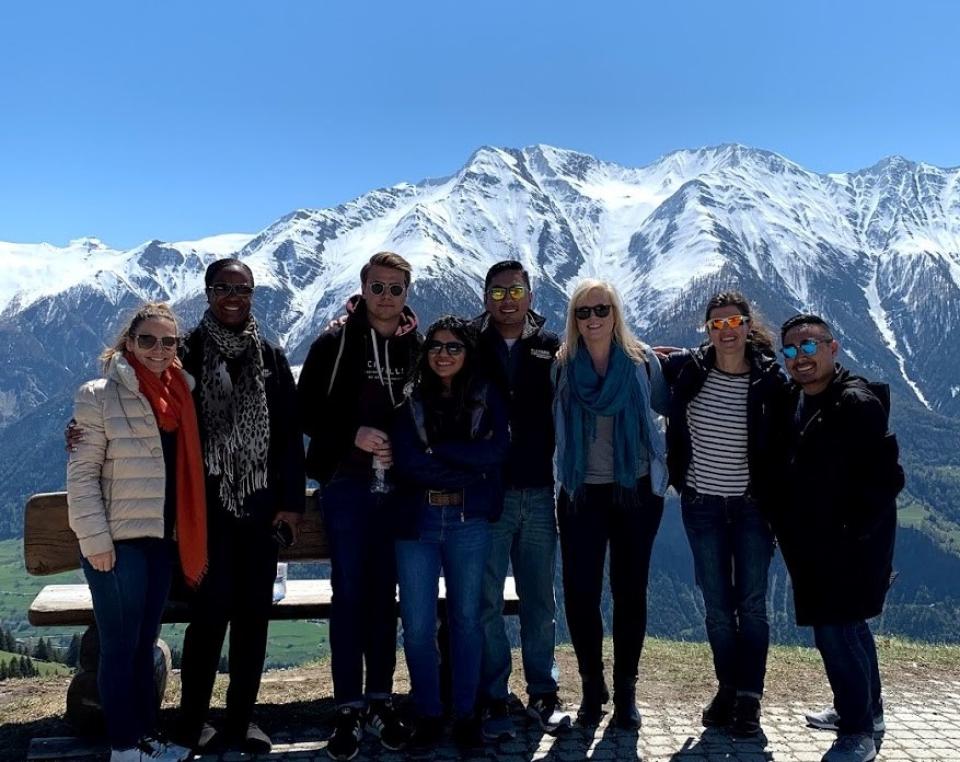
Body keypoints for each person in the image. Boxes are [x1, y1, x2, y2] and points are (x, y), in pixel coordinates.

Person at [175, 259, 305, 753]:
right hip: (202, 513)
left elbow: (290, 438)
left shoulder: (269, 355)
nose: (233, 296)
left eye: (243, 288)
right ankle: (191, 721)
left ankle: (242, 719)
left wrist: (291, 506)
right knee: (207, 618)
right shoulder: (184, 352)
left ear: (253, 295)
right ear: (207, 293)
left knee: (253, 618)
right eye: (223, 288)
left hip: (259, 514)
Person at [297, 251, 421, 759]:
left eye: (396, 289)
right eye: (378, 287)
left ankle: (380, 700)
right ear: (362, 288)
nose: (386, 297)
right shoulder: (334, 340)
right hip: (345, 483)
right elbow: (304, 410)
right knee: (348, 591)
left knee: (383, 592)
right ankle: (347, 706)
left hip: (398, 486)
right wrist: (355, 433)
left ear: (407, 294)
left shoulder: (416, 343)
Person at [67, 302, 203, 762]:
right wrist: (96, 542)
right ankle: (125, 745)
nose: (158, 350)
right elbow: (82, 476)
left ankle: (144, 737)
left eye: (169, 342)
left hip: (161, 540)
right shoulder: (98, 394)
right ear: (129, 342)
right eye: (147, 340)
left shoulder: (181, 393)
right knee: (121, 647)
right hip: (118, 544)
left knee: (143, 645)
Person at [772, 313, 903, 762]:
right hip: (817, 545)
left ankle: (857, 732)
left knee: (836, 633)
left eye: (809, 346)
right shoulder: (799, 397)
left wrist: (851, 534)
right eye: (790, 350)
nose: (799, 358)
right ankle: (870, 711)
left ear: (833, 347)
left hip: (849, 548)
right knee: (850, 630)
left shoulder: (854, 403)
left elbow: (886, 479)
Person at [659, 292, 786, 736]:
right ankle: (728, 688)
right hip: (702, 505)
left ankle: (748, 698)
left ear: (749, 326)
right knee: (716, 607)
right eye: (717, 324)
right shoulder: (690, 370)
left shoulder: (771, 381)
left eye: (734, 322)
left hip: (753, 508)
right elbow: (649, 361)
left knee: (751, 605)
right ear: (707, 331)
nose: (726, 331)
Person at [552, 279, 669, 728]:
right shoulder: (562, 366)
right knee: (581, 594)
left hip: (634, 489)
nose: (593, 318)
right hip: (581, 491)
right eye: (584, 312)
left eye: (601, 309)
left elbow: (666, 409)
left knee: (629, 593)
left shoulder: (642, 363)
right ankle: (590, 687)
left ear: (615, 313)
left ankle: (626, 693)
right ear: (574, 319)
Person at [391, 316, 510, 750]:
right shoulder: (409, 399)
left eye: (454, 347)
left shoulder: (486, 395)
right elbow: (407, 462)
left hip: (468, 523)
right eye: (436, 346)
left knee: (466, 620)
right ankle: (427, 712)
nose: (443, 354)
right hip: (416, 523)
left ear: (468, 352)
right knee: (418, 626)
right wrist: (468, 465)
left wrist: (439, 450)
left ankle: (465, 714)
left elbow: (496, 452)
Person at [469, 260, 568, 740]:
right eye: (498, 293)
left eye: (516, 292)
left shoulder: (551, 347)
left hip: (536, 489)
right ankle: (493, 696)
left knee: (539, 600)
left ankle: (543, 692)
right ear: (486, 297)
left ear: (530, 295)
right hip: (486, 494)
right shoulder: (468, 343)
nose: (507, 301)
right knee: (485, 600)